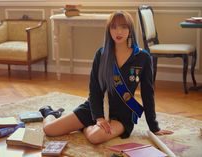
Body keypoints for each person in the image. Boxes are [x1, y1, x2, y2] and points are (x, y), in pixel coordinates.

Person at [43, 10, 173, 144]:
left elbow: (147, 93)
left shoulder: (142, 57)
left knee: (95, 137)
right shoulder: (101, 54)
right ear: (109, 30)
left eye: (123, 26)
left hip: (121, 114)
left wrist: (154, 126)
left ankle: (84, 126)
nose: (119, 32)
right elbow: (94, 90)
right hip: (95, 108)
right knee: (49, 130)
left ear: (130, 29)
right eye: (114, 27)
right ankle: (50, 113)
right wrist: (98, 117)